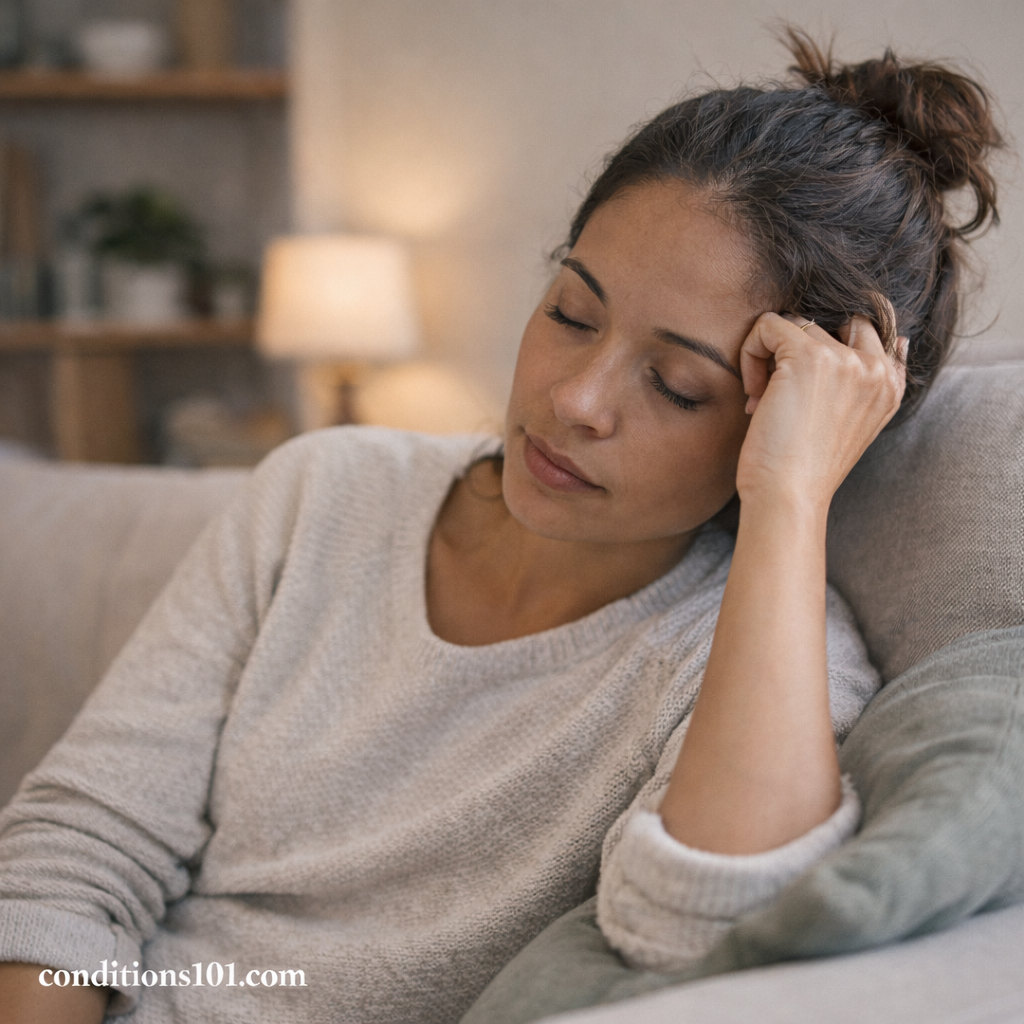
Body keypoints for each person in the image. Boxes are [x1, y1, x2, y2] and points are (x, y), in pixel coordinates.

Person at [0, 29, 1003, 1024]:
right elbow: (77, 853)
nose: (575, 400)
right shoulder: (324, 490)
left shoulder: (757, 663)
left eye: (676, 383)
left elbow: (701, 941)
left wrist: (791, 497)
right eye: (571, 311)